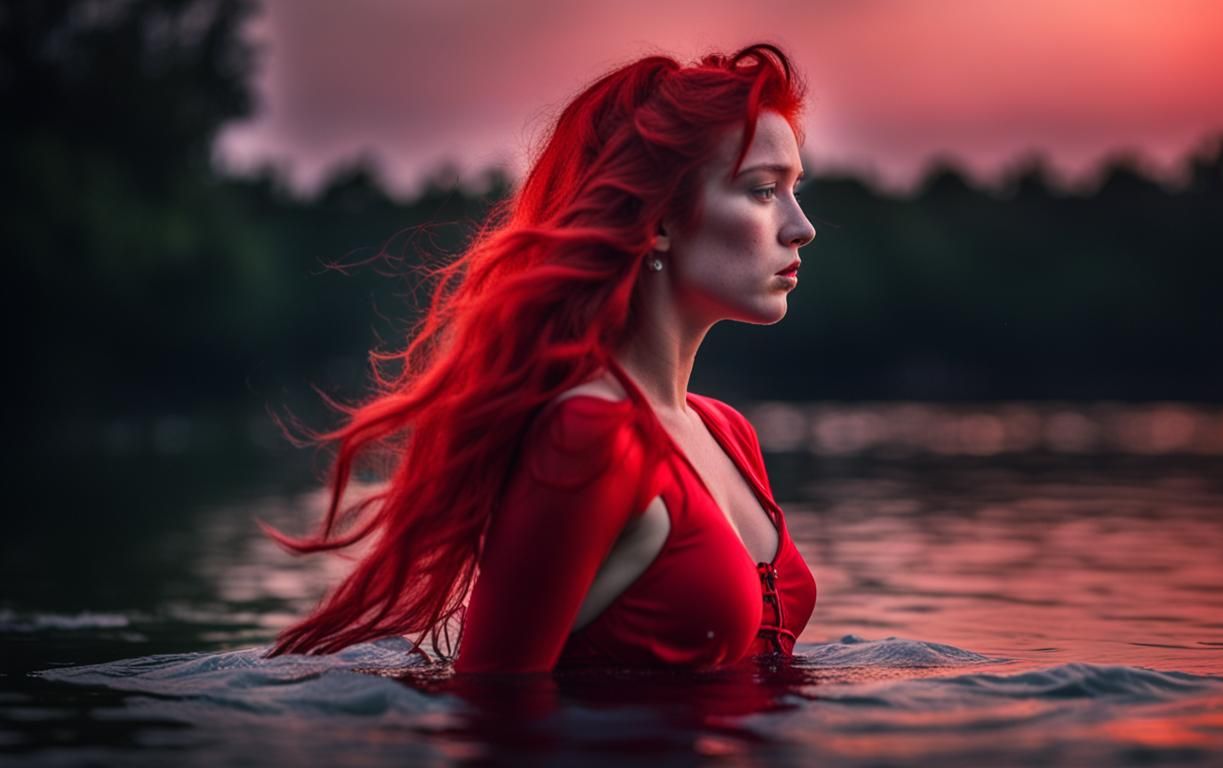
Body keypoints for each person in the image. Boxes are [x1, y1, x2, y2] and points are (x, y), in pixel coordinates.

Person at [265, 43, 818, 674]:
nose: (801, 226)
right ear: (659, 219)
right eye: (764, 190)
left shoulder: (727, 432)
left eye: (796, 189)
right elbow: (488, 708)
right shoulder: (589, 435)